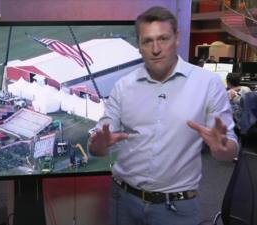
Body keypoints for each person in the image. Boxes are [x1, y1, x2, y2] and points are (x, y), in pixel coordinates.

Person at [88, 6, 238, 225]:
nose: (156, 49)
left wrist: (224, 149)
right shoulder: (123, 87)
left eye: (163, 38)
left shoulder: (208, 84)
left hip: (177, 209)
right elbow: (98, 142)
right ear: (139, 46)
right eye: (147, 41)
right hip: (124, 201)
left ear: (177, 38)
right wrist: (98, 146)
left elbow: (229, 148)